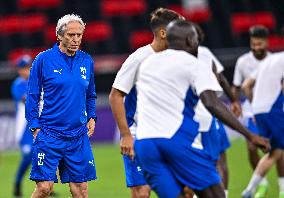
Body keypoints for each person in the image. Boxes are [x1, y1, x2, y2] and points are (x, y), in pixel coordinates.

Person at [130, 20, 269, 198]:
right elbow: (213, 103)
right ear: (190, 40)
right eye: (196, 39)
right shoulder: (195, 63)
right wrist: (250, 135)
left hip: (145, 145)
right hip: (176, 140)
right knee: (215, 194)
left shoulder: (147, 64)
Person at [109, 8, 184, 198]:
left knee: (183, 190)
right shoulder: (138, 59)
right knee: (142, 193)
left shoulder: (176, 59)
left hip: (169, 135)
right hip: (139, 135)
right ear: (163, 33)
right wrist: (126, 135)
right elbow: (115, 95)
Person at [25, 14, 97, 198]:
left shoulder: (86, 61)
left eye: (79, 35)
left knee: (80, 190)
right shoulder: (43, 60)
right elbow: (32, 95)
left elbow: (90, 94)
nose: (76, 39)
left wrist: (92, 116)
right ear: (59, 35)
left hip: (78, 136)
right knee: (44, 188)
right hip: (49, 134)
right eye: (71, 35)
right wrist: (34, 126)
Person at [194, 24, 241, 198]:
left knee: (194, 159)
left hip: (189, 116)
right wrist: (234, 100)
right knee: (219, 160)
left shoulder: (172, 57)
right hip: (210, 111)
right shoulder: (204, 53)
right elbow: (221, 79)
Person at [232, 25, 271, 197]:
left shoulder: (275, 61)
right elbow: (236, 87)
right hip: (251, 113)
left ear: (266, 42)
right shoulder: (243, 62)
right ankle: (261, 183)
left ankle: (281, 185)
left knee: (276, 150)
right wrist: (235, 101)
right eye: (253, 44)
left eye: (259, 44)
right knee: (251, 147)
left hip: (273, 112)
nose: (256, 47)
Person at [241, 52, 284, 198]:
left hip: (260, 110)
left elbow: (246, 85)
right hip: (274, 108)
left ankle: (250, 190)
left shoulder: (270, 59)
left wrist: (256, 107)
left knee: (276, 151)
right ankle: (250, 190)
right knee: (276, 151)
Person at [11, 55, 33, 197]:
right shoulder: (18, 84)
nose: (28, 70)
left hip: (38, 125)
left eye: (29, 67)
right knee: (28, 157)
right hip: (24, 129)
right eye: (25, 68)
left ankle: (46, 186)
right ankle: (17, 182)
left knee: (45, 154)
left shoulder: (36, 82)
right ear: (19, 70)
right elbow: (26, 100)